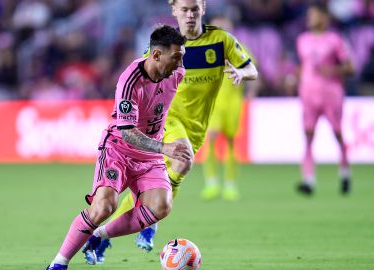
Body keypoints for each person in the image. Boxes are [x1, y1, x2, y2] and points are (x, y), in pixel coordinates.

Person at [85, 0, 258, 262]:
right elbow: (142, 73)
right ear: (174, 10)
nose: (190, 15)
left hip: (196, 125)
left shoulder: (221, 40)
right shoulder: (168, 47)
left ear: (203, 9)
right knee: (182, 160)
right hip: (167, 119)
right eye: (185, 10)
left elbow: (251, 68)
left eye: (195, 9)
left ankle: (102, 235)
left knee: (162, 182)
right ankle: (150, 224)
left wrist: (241, 73)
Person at [45, 25, 189, 270]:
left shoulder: (177, 73)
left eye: (182, 57)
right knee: (103, 207)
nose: (179, 64)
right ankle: (59, 264)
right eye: (176, 57)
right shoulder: (129, 80)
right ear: (156, 55)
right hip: (119, 151)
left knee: (161, 205)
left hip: (149, 157)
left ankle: (99, 235)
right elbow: (127, 132)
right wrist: (163, 147)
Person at [296, 3, 355, 196]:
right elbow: (304, 66)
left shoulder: (335, 40)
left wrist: (331, 71)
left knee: (337, 134)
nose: (309, 19)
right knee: (308, 135)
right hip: (308, 95)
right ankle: (308, 180)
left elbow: (351, 67)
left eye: (313, 15)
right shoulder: (302, 40)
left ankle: (345, 172)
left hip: (331, 94)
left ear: (324, 18)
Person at [200, 15, 258, 202]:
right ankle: (211, 183)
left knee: (232, 142)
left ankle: (230, 185)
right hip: (214, 102)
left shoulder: (238, 49)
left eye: (225, 26)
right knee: (212, 138)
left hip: (234, 102)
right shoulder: (205, 50)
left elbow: (253, 72)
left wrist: (251, 92)